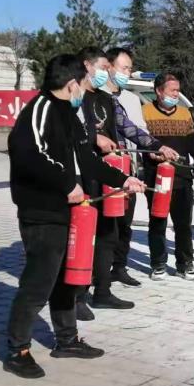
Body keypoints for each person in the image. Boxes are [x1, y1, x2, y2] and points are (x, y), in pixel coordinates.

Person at [3, 53, 145, 379]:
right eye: (83, 81)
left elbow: (88, 160)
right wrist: (67, 183)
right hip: (41, 212)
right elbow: (28, 154)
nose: (85, 86)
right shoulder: (39, 110)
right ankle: (17, 350)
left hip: (68, 211)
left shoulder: (70, 114)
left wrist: (123, 179)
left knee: (66, 279)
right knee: (38, 282)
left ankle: (67, 340)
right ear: (71, 84)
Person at [106, 47, 179, 288]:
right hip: (103, 169)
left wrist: (154, 149)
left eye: (129, 68)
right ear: (108, 66)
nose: (127, 72)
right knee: (106, 225)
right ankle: (99, 273)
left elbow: (136, 130)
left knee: (125, 223)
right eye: (124, 68)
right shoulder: (96, 97)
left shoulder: (129, 99)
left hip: (128, 168)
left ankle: (119, 267)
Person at [141, 71, 194, 280]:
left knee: (183, 224)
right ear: (159, 91)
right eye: (172, 90)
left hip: (182, 176)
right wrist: (152, 154)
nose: (176, 94)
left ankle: (185, 264)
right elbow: (140, 140)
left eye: (178, 90)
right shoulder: (145, 112)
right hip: (157, 178)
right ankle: (158, 264)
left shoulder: (184, 114)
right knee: (157, 222)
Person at [77, 47, 133, 318]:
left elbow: (125, 128)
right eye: (103, 67)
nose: (106, 72)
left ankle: (102, 291)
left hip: (105, 174)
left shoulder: (106, 100)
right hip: (81, 174)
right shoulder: (74, 96)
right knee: (82, 235)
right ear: (87, 66)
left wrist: (157, 146)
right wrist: (93, 137)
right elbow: (70, 130)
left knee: (108, 233)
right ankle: (76, 296)